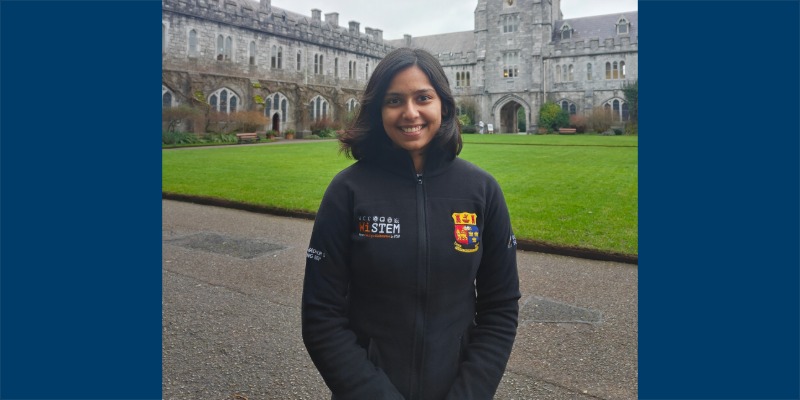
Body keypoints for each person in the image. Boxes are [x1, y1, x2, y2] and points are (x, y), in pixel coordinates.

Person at [301, 47, 520, 400]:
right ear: (378, 109)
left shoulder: (481, 190)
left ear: (443, 105)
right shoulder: (347, 191)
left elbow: (500, 307)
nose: (410, 113)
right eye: (394, 100)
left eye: (423, 98)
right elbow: (321, 316)